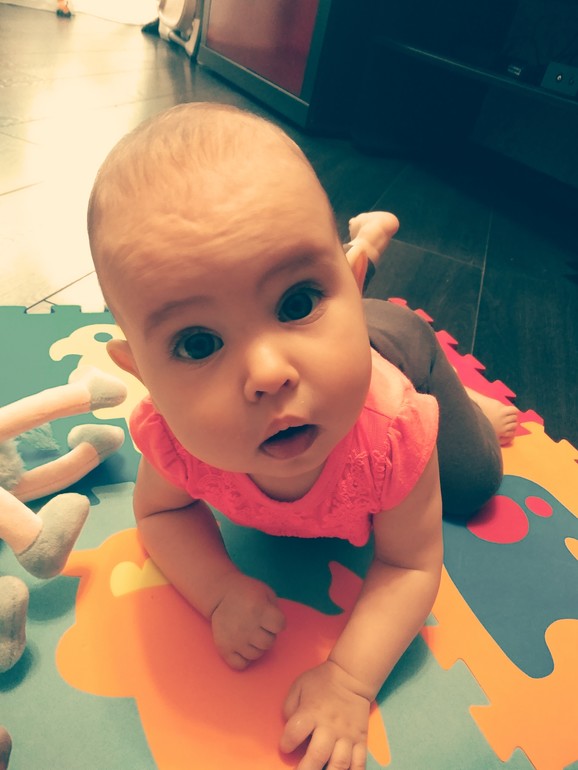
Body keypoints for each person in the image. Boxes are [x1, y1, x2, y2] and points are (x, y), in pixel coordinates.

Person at [87, 102, 517, 770]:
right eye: (198, 343)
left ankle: (459, 394)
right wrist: (218, 590)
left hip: (399, 349)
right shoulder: (175, 440)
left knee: (474, 483)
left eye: (296, 301)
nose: (267, 373)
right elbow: (160, 514)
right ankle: (355, 252)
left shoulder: (394, 435)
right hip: (341, 337)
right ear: (142, 372)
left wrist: (348, 680)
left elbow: (409, 565)